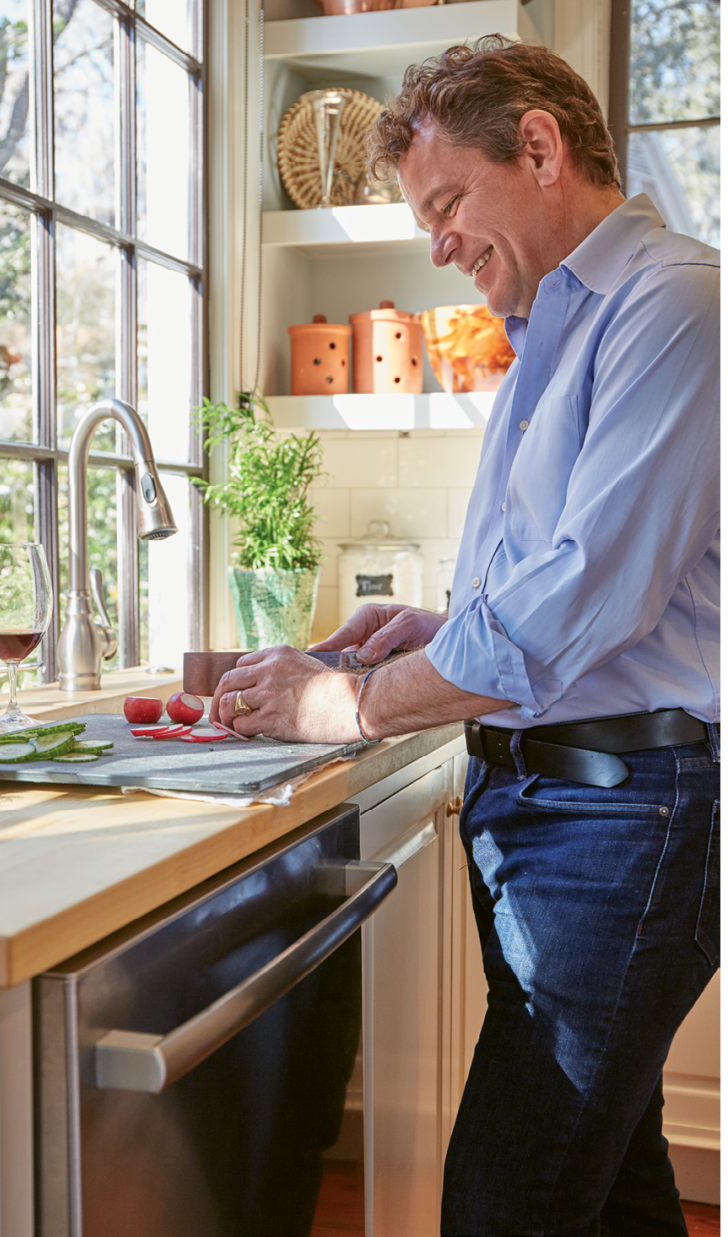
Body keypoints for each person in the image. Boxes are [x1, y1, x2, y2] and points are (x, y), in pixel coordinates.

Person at [211, 36, 721, 1235]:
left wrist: (343, 701)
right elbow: (577, 588)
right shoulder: (553, 330)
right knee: (606, 1182)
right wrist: (436, 629)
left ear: (536, 147)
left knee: (506, 1204)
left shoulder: (675, 306)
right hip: (562, 809)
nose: (435, 244)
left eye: (446, 204)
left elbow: (588, 595)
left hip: (625, 810)